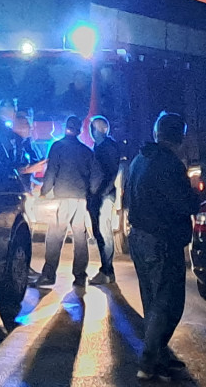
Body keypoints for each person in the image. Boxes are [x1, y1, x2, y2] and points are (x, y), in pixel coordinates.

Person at [124, 111, 196, 381]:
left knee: (152, 301)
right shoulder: (170, 164)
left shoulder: (140, 159)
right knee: (168, 303)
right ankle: (150, 361)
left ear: (157, 133)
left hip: (140, 238)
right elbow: (185, 203)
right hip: (162, 241)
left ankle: (159, 354)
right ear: (179, 136)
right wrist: (194, 196)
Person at [37, 115, 94, 287]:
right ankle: (80, 276)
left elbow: (52, 171)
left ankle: (48, 275)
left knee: (55, 236)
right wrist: (90, 194)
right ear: (79, 130)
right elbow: (95, 175)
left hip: (62, 198)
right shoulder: (86, 151)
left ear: (65, 128)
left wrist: (43, 191)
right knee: (80, 238)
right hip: (80, 199)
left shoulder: (57, 147)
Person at [88, 115, 120, 285]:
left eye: (93, 128)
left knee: (104, 232)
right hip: (98, 195)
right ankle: (105, 268)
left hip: (104, 196)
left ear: (102, 129)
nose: (91, 132)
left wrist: (100, 193)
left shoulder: (108, 147)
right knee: (99, 232)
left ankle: (107, 270)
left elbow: (111, 173)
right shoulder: (99, 146)